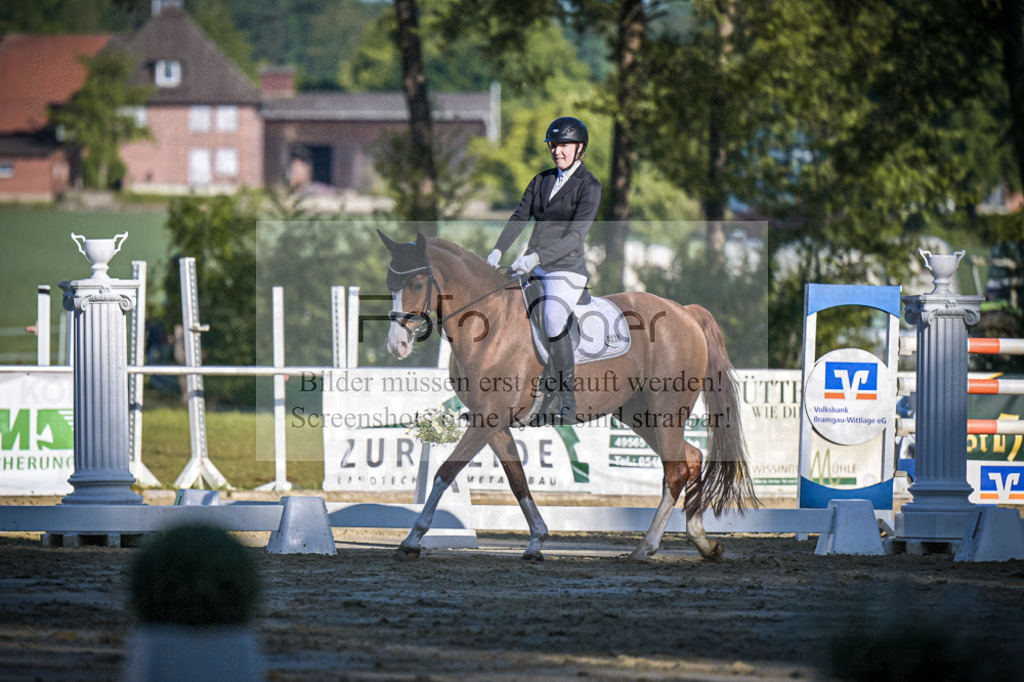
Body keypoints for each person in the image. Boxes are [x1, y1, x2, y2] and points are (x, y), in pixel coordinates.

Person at [486, 116, 602, 423]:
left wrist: (536, 258)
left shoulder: (589, 187)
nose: (556, 151)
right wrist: (498, 249)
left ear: (580, 149)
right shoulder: (542, 181)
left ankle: (566, 400)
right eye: (553, 145)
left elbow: (575, 237)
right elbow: (519, 216)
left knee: (552, 318)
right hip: (530, 265)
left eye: (563, 145)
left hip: (566, 270)